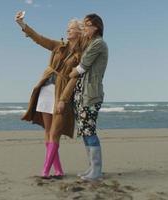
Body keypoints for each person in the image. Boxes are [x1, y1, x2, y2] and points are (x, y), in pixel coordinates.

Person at [15, 11, 85, 179]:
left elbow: (73, 80)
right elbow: (39, 39)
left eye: (72, 29)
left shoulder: (81, 55)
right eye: (67, 28)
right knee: (47, 132)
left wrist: (63, 99)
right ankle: (58, 170)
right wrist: (22, 24)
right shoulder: (58, 46)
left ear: (79, 32)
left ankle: (45, 171)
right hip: (46, 90)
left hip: (61, 94)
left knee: (55, 133)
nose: (68, 31)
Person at [58, 13, 109, 181]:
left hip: (91, 95)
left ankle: (97, 170)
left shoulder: (99, 44)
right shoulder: (90, 43)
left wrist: (72, 72)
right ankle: (92, 168)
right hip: (82, 95)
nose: (84, 28)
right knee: (86, 132)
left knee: (90, 131)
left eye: (87, 25)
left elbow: (82, 66)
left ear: (96, 27)